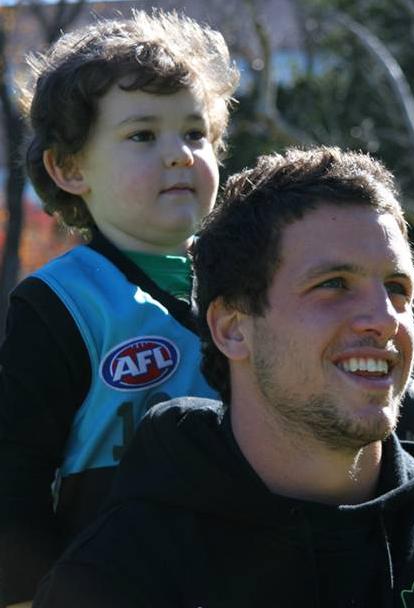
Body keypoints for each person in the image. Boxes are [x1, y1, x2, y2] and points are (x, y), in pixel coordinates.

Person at [32, 146, 414, 608]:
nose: (384, 318)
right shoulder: (115, 579)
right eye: (333, 284)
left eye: (397, 289)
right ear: (233, 329)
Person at [0, 9, 239, 607]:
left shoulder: (255, 286)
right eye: (142, 135)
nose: (180, 154)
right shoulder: (62, 303)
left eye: (194, 133)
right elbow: (14, 475)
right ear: (70, 167)